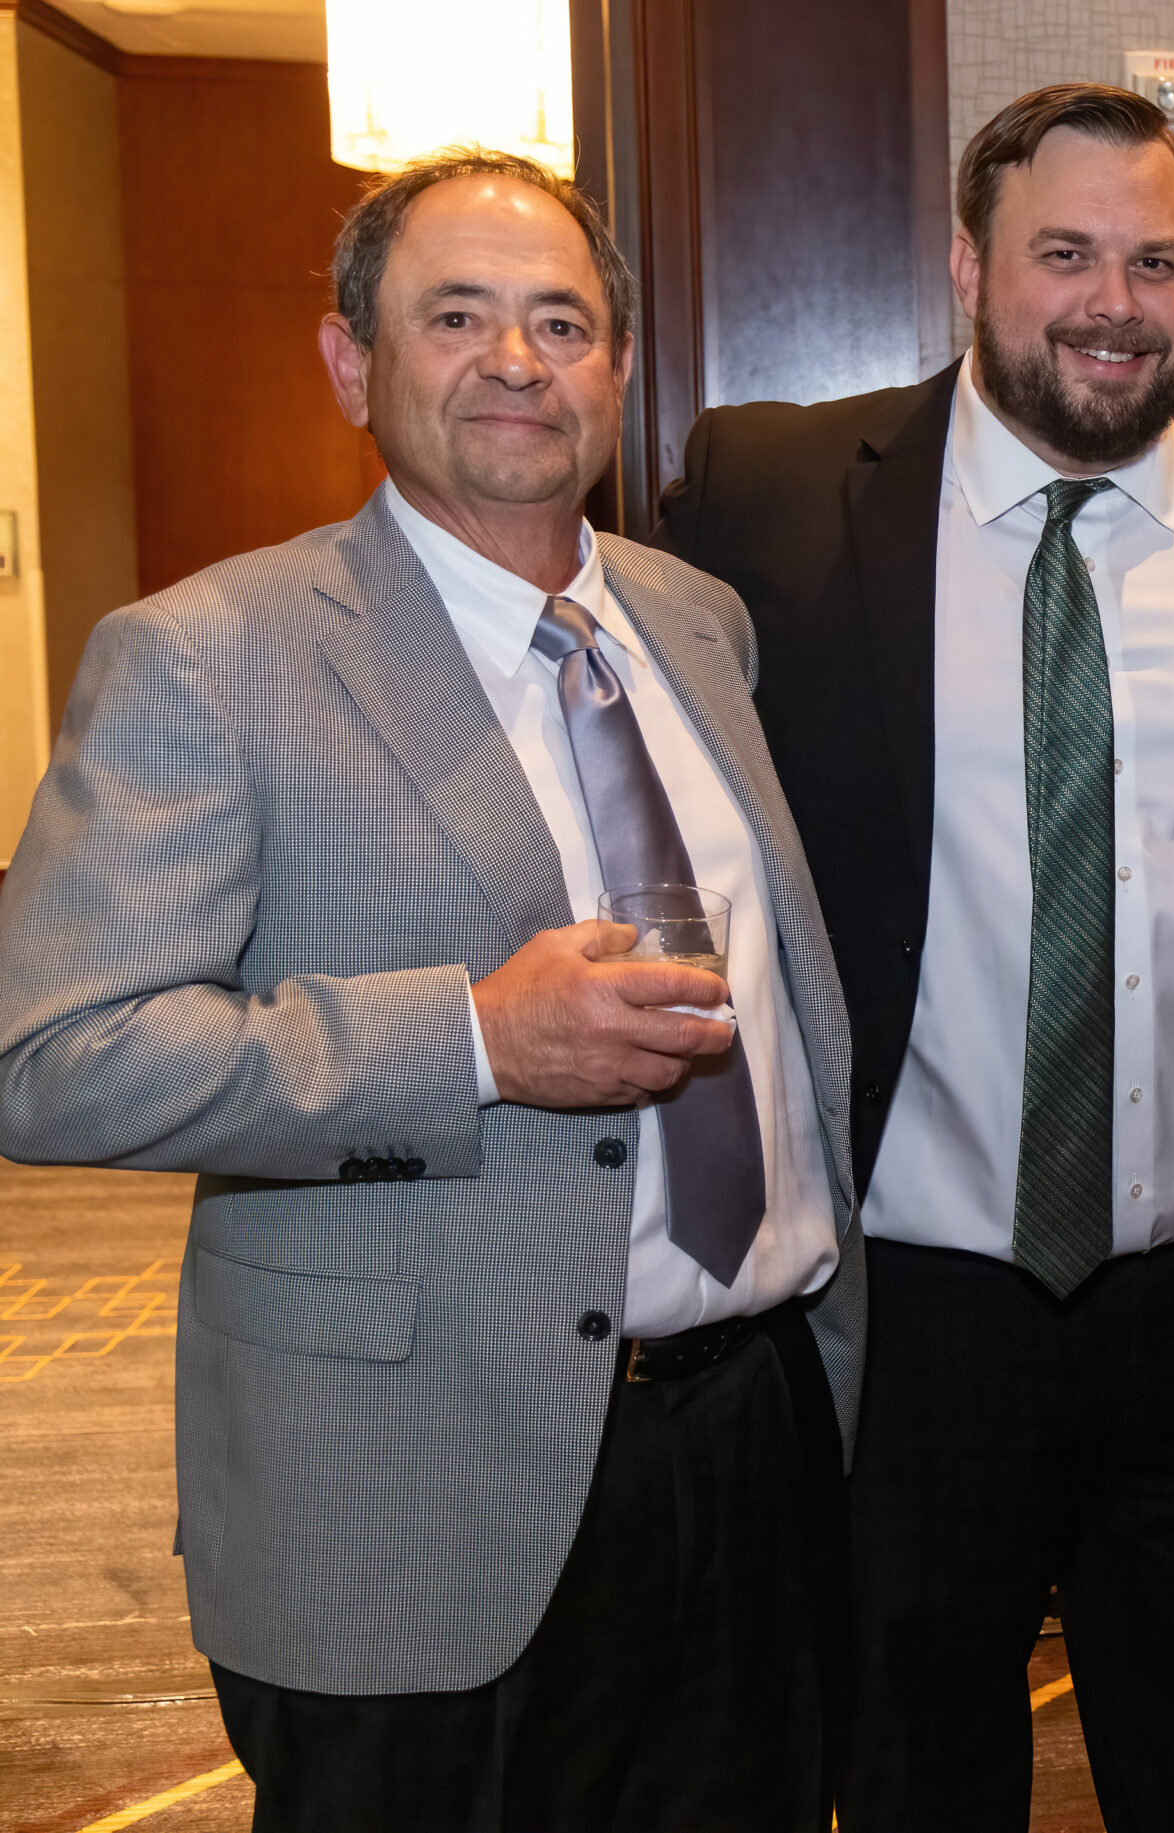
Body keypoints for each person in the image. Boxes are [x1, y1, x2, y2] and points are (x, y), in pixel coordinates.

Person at [0, 151, 858, 1831]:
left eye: (562, 323)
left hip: (752, 1445)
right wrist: (473, 1040)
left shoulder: (698, 624)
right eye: (455, 317)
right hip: (411, 1481)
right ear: (352, 364)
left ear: (620, 366)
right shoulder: (210, 655)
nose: (517, 361)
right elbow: (56, 1054)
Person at [653, 83, 1174, 1830]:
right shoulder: (774, 493)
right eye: (1065, 253)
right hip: (912, 1311)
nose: (1115, 302)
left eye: (1158, 260)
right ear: (967, 267)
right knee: (915, 1779)